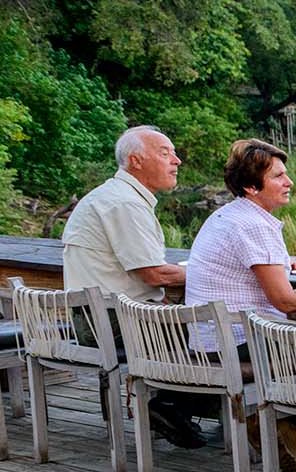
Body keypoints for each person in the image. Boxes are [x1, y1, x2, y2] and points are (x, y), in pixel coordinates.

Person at [61, 126, 205, 448]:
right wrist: (209, 274)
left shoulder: (116, 196)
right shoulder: (124, 203)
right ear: (135, 161)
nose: (177, 160)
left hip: (99, 317)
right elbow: (154, 275)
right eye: (165, 153)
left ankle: (173, 406)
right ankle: (172, 406)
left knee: (206, 326)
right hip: (110, 323)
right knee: (218, 330)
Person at [185, 138, 296, 472]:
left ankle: (286, 423)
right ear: (250, 186)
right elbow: (285, 300)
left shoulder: (229, 216)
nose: (289, 182)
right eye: (278, 177)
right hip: (236, 343)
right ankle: (282, 422)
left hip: (209, 338)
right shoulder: (253, 224)